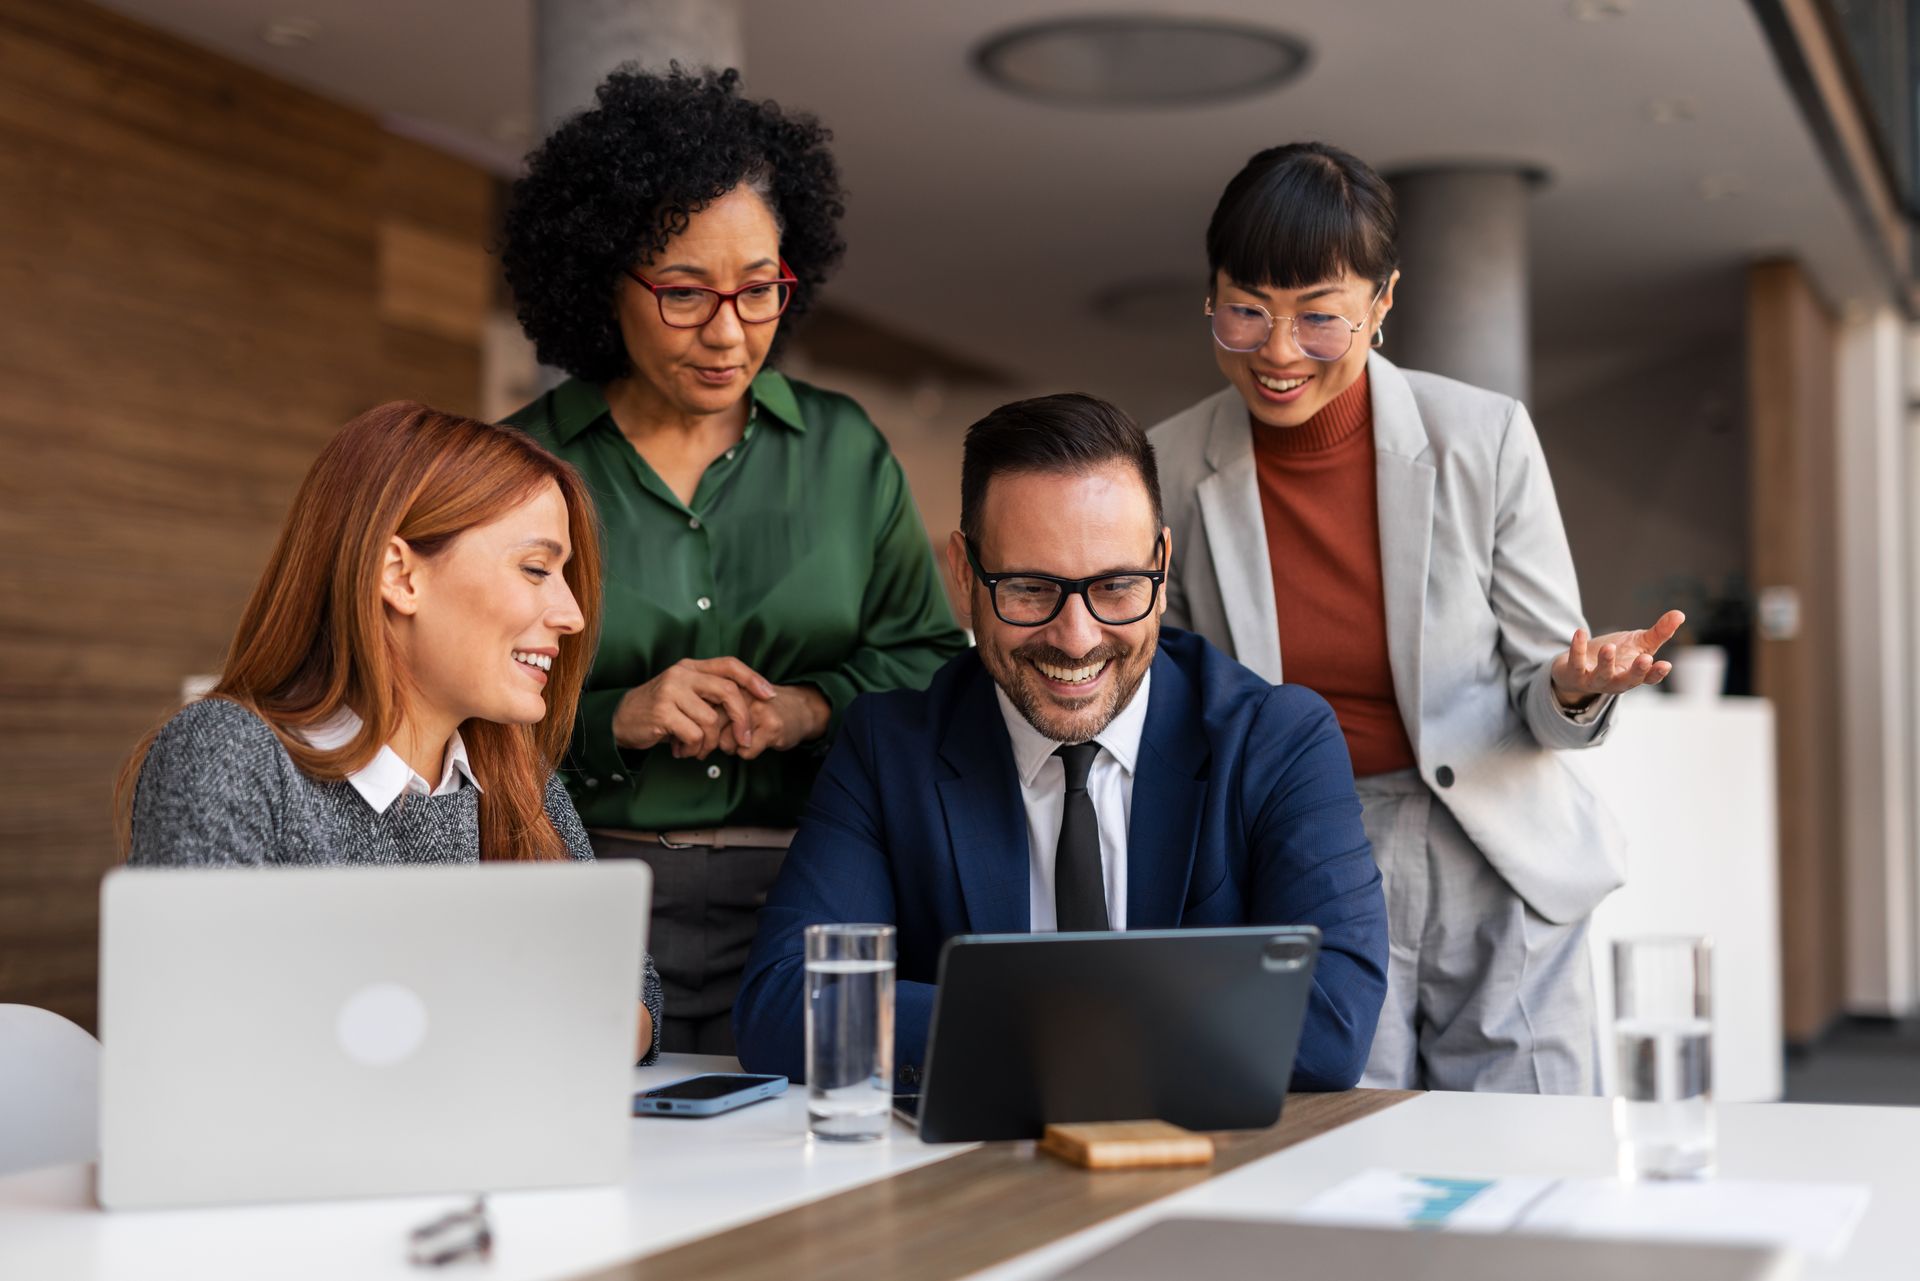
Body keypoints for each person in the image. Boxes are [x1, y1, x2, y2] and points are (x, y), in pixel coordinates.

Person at [1148, 142, 1682, 1093]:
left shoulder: (1483, 437)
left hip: (1493, 847)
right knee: (1351, 1152)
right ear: (1211, 297)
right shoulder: (1170, 466)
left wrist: (1578, 686)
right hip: (1306, 851)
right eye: (1246, 312)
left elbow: (1544, 687)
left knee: (1534, 1154)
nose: (1277, 352)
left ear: (1381, 305)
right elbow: (1182, 702)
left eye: (1320, 319)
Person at [500, 67, 967, 1055]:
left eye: (760, 290)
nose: (728, 332)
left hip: (814, 893)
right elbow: (451, 713)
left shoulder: (846, 453)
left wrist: (809, 708)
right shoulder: (515, 469)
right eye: (682, 293)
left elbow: (928, 664)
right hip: (580, 886)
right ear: (599, 281)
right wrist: (614, 718)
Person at [733, 394, 1389, 1090]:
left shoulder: (1279, 740)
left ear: (1161, 568)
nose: (1076, 638)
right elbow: (786, 1003)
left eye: (1114, 586)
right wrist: (1112, 1014)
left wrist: (1017, 1015)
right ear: (963, 575)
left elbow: (1331, 1020)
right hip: (976, 1178)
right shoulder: (888, 749)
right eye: (1028, 588)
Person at [121, 402, 663, 1064]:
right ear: (400, 575)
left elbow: (632, 994)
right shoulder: (230, 754)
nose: (572, 613)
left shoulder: (514, 773)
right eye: (535, 568)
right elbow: (198, 1034)